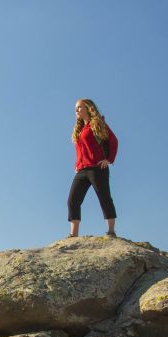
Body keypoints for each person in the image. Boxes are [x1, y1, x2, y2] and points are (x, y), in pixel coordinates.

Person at [66, 98, 118, 238]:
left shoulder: (98, 124)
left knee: (104, 198)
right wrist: (77, 163)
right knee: (72, 200)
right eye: (75, 108)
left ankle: (111, 232)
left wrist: (108, 159)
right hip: (82, 169)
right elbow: (81, 150)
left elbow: (113, 141)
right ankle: (73, 235)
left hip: (97, 168)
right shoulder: (79, 129)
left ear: (88, 108)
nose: (76, 110)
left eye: (79, 107)